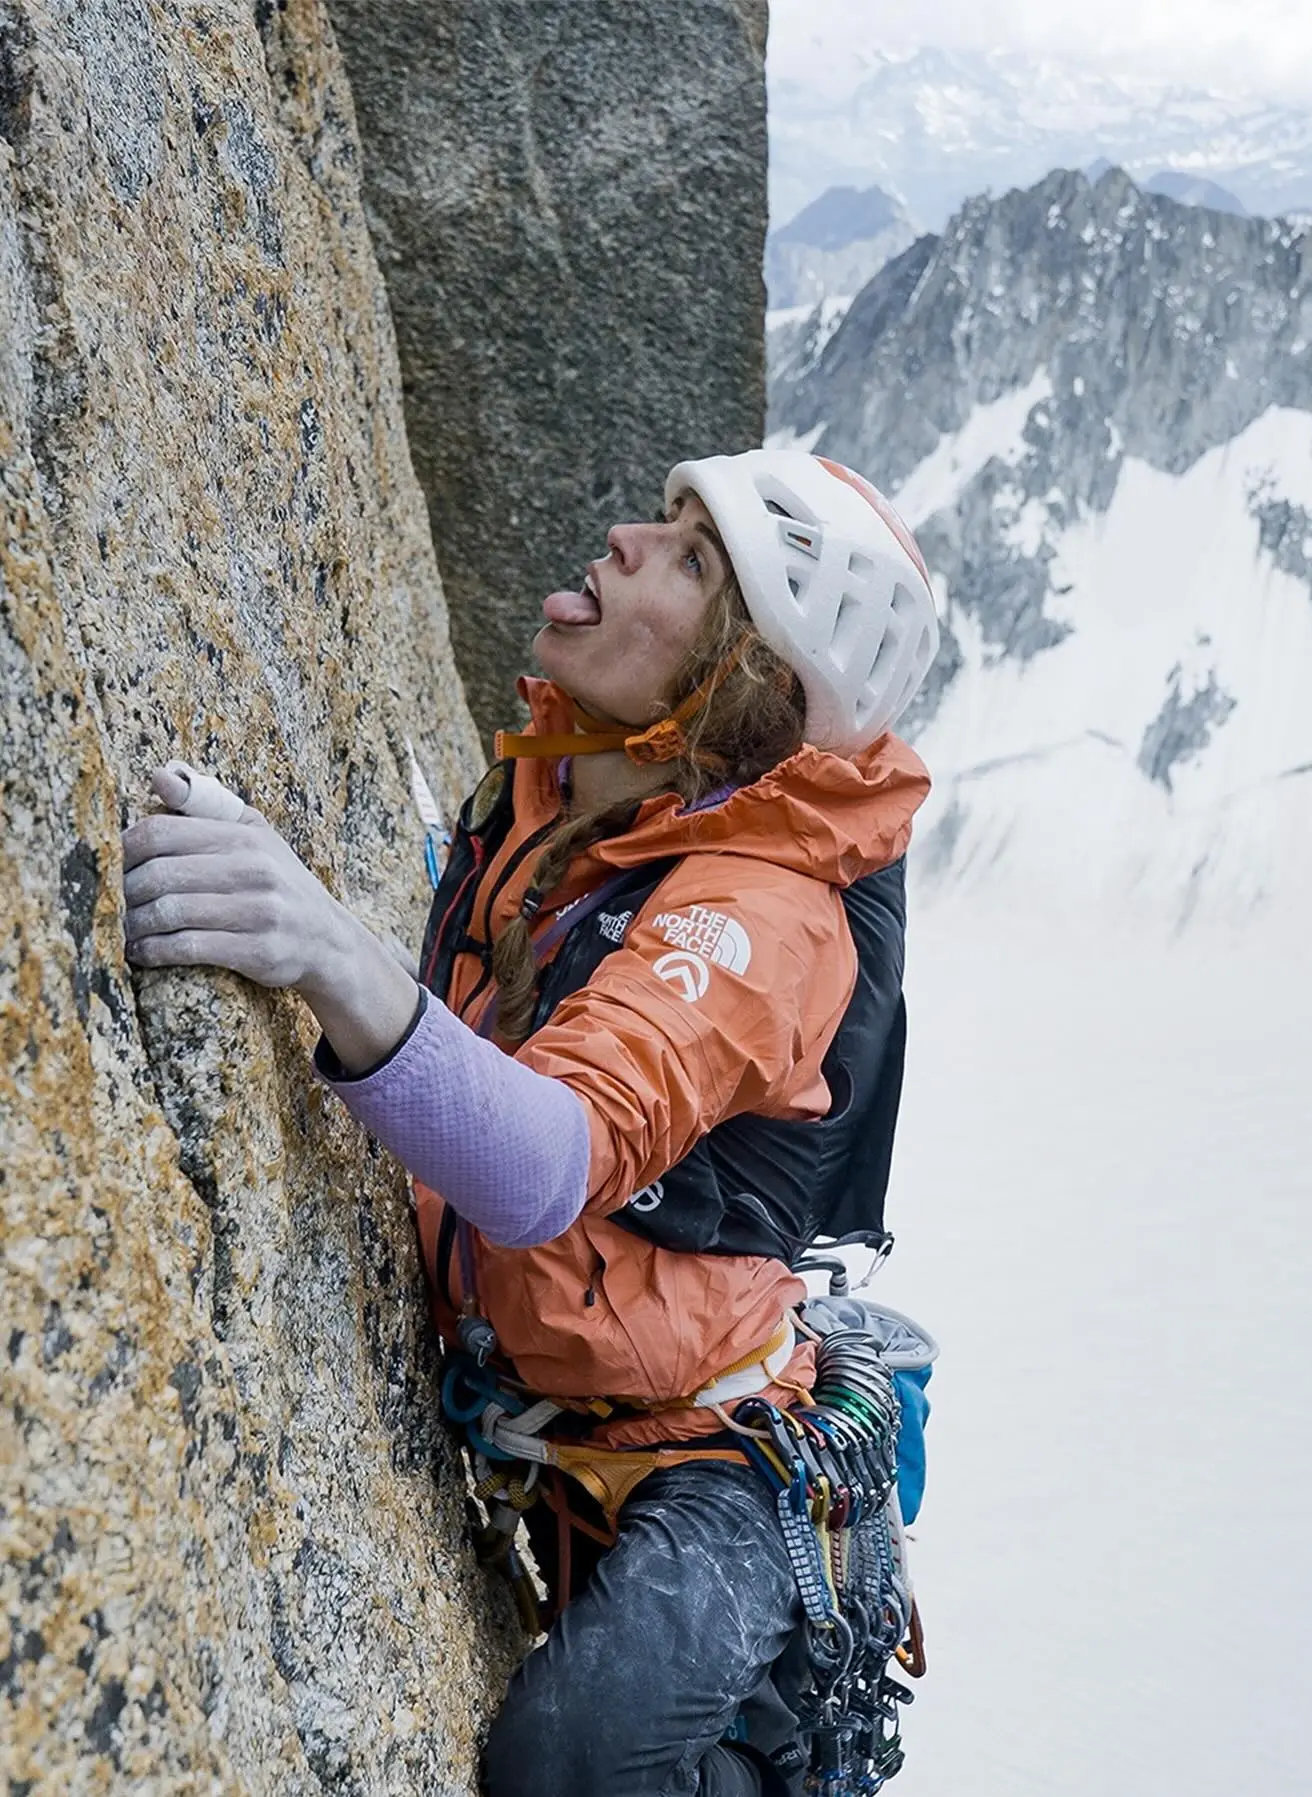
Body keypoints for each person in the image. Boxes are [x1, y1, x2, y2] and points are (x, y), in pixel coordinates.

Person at [123, 449, 939, 1796]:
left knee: (572, 1765)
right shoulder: (575, 796)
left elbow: (546, 1160)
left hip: (713, 1459)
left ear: (741, 682)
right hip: (574, 1414)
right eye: (663, 522)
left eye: (687, 559)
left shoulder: (762, 917)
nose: (622, 537)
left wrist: (322, 948)